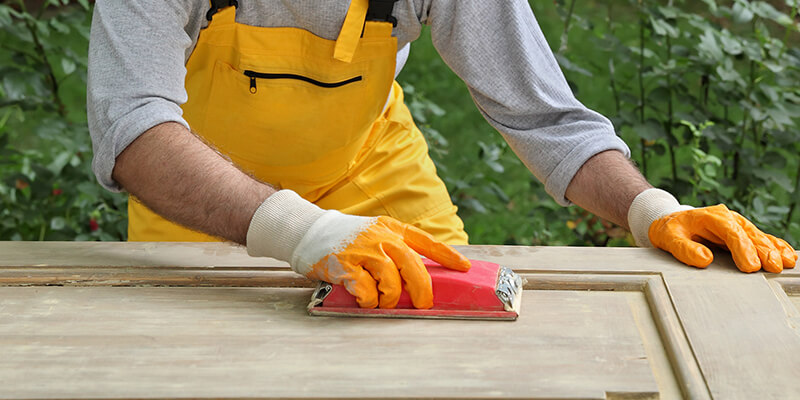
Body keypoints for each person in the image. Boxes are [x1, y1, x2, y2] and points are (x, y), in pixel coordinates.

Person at [87, 0, 797, 309]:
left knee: (462, 333)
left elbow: (544, 114)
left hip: (369, 174)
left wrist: (652, 211)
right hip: (205, 199)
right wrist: (297, 230)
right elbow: (133, 125)